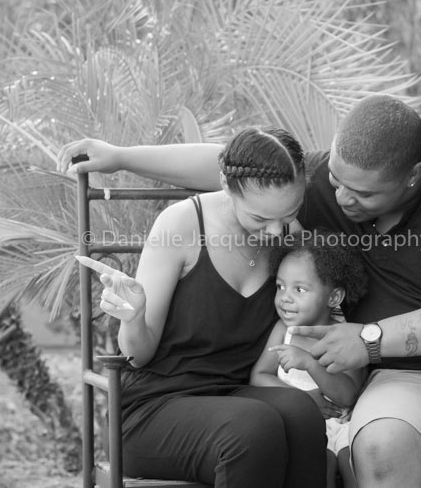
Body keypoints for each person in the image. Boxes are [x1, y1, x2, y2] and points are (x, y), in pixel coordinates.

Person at [59, 95, 421, 488]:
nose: (340, 197)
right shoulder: (323, 189)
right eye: (333, 178)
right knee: (367, 446)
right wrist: (121, 155)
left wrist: (371, 339)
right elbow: (239, 165)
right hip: (409, 386)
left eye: (362, 192)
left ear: (413, 174)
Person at [76, 126, 327, 488]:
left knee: (301, 414)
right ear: (225, 185)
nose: (276, 232)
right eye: (260, 218)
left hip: (232, 397)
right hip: (153, 409)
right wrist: (133, 318)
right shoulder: (181, 226)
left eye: (287, 215)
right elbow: (138, 356)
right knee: (252, 427)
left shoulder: (290, 236)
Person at [250, 230, 368, 488]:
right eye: (280, 286)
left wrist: (310, 364)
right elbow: (259, 376)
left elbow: (348, 396)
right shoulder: (283, 331)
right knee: (318, 470)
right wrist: (300, 400)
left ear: (334, 297)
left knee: (358, 471)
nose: (285, 298)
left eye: (299, 289)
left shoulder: (345, 335)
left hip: (345, 427)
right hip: (306, 427)